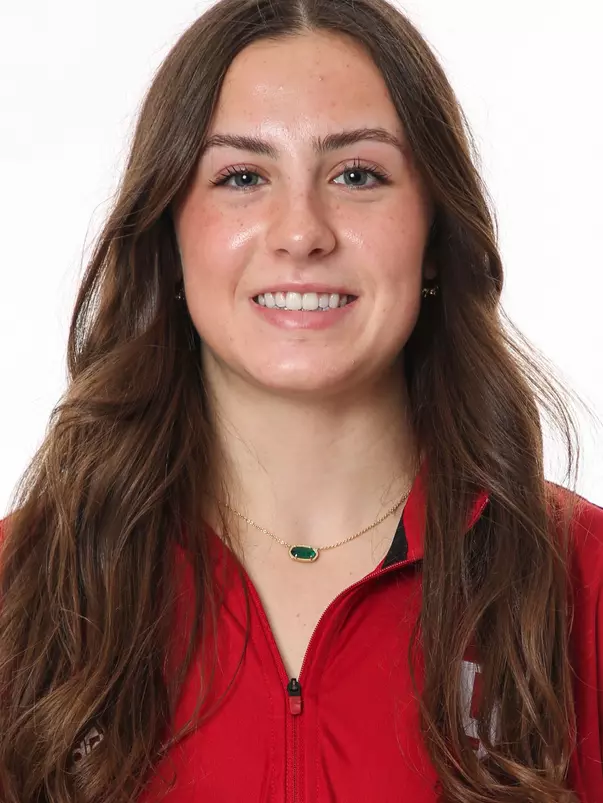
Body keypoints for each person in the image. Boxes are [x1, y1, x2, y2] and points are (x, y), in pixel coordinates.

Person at [0, 0, 601, 801]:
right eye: (242, 177)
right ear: (169, 236)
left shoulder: (580, 578)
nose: (300, 231)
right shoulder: (24, 582)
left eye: (357, 175)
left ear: (433, 229)